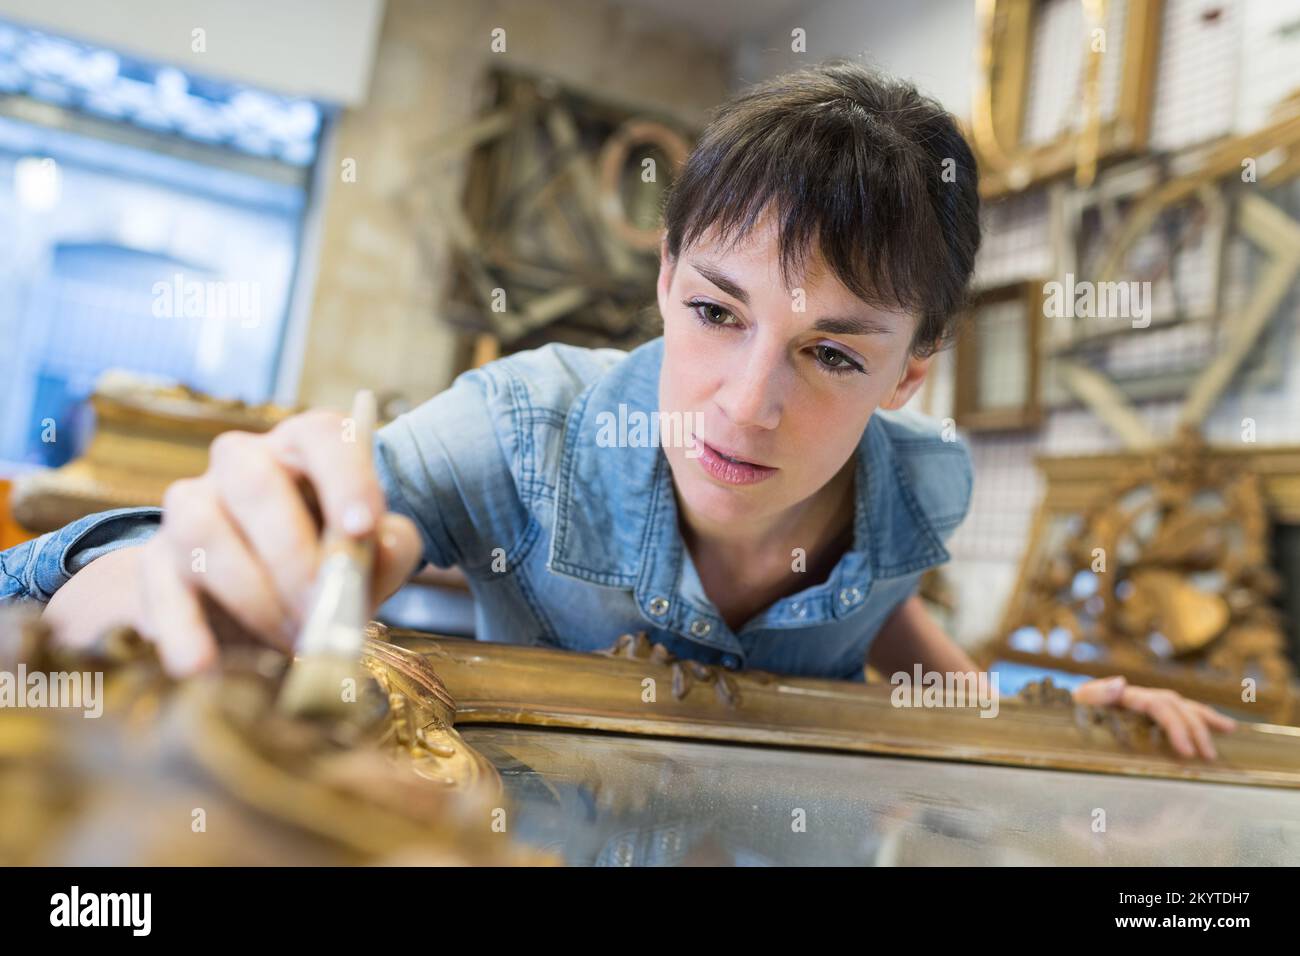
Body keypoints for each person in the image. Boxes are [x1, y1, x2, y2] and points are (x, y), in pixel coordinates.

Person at [0, 60, 1234, 759]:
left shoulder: (915, 479)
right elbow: (85, 600)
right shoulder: (518, 428)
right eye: (713, 312)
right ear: (660, 275)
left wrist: (1042, 723)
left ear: (912, 372)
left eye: (832, 354)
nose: (747, 406)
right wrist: (206, 568)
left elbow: (878, 603)